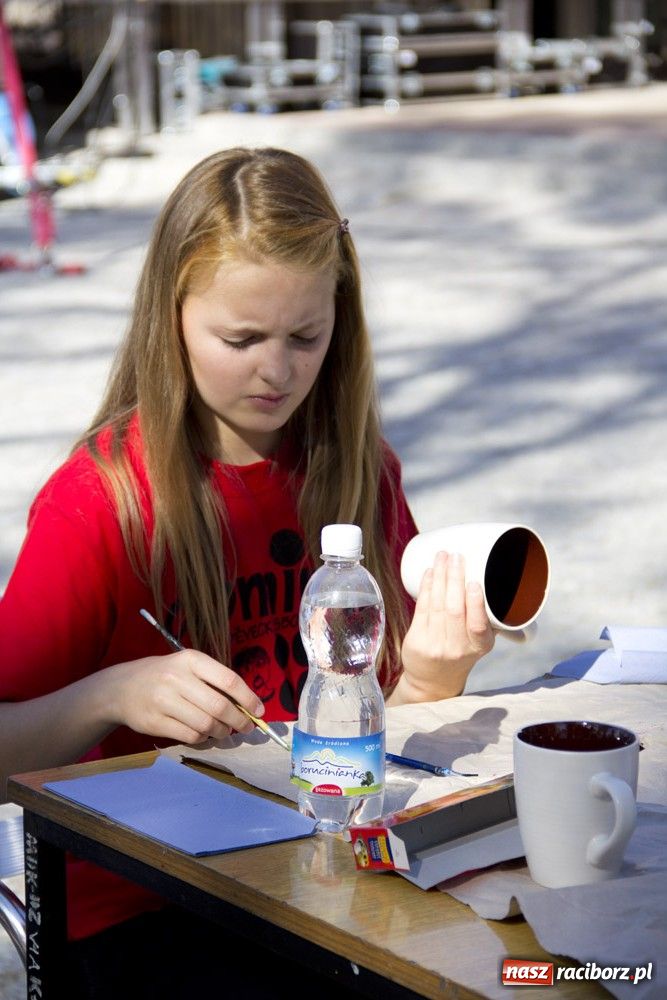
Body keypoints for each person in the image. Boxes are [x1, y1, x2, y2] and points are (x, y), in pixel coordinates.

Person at [0, 147, 495, 998]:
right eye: (240, 339)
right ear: (171, 316)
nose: (277, 370)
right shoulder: (103, 502)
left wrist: (432, 671)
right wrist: (110, 695)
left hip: (328, 876)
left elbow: (381, 741)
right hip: (147, 906)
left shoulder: (354, 469)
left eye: (306, 336)